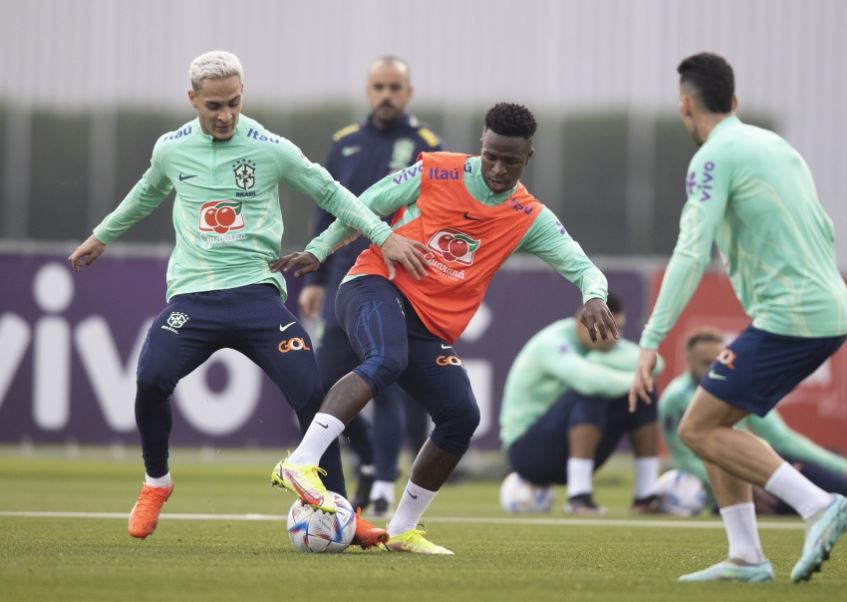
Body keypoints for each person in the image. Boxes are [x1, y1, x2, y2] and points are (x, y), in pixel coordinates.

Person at [66, 50, 427, 545]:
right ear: (192, 99)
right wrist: (101, 236)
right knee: (150, 379)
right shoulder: (171, 150)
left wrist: (383, 236)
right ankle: (156, 483)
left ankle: (344, 513)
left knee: (315, 398)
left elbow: (333, 193)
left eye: (234, 103)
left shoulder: (270, 148)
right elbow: (147, 192)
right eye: (214, 105)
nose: (225, 115)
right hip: (193, 301)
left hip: (258, 298)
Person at [269, 102, 621, 554]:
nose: (497, 167)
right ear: (482, 144)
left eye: (509, 161)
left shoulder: (527, 216)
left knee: (461, 416)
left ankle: (399, 531)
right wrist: (318, 252)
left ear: (527, 157)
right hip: (374, 285)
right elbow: (363, 206)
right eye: (491, 155)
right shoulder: (436, 171)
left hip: (428, 325)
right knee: (386, 359)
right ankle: (300, 462)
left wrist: (593, 294)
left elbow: (582, 265)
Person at [629, 53, 847, 583]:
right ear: (735, 101)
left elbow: (691, 253)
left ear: (685, 104)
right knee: (713, 422)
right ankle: (746, 556)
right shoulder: (774, 145)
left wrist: (651, 339)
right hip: (824, 306)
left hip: (793, 315)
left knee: (696, 427)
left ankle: (820, 506)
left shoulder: (713, 157)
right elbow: (822, 227)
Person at [298, 56, 443, 514]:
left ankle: (382, 482)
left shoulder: (427, 146)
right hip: (345, 275)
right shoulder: (346, 143)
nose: (386, 95)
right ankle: (363, 461)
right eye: (378, 86)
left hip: (397, 276)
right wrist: (318, 275)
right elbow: (326, 206)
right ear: (368, 91)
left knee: (389, 379)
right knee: (321, 384)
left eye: (394, 87)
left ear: (409, 92)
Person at [658, 328, 847, 515]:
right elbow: (684, 459)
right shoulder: (674, 399)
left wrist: (837, 464)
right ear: (688, 360)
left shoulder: (731, 386)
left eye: (716, 361)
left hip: (751, 466)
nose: (710, 368)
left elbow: (781, 438)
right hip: (722, 477)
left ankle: (831, 503)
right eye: (704, 362)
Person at [499, 295, 665, 515]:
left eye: (619, 329)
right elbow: (588, 381)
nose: (613, 338)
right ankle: (578, 498)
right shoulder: (552, 341)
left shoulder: (605, 344)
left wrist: (603, 365)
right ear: (582, 320)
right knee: (594, 391)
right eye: (605, 329)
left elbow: (656, 363)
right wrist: (636, 379)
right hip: (528, 453)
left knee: (646, 392)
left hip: (569, 452)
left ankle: (645, 497)